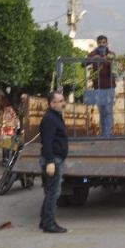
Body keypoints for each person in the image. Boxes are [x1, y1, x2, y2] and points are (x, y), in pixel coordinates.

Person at [39, 92, 69, 233]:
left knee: (50, 192)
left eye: (63, 100)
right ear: (52, 104)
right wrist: (50, 161)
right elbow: (47, 141)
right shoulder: (50, 119)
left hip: (55, 159)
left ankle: (44, 220)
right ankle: (49, 224)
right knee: (53, 193)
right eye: (60, 101)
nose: (63, 103)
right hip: (53, 160)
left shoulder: (56, 117)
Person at [86, 35, 116, 138]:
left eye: (103, 42)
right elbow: (83, 63)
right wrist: (92, 59)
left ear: (107, 43)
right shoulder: (93, 54)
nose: (101, 45)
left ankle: (108, 133)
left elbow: (116, 68)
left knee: (108, 110)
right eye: (100, 43)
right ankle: (103, 133)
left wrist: (107, 60)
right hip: (98, 87)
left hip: (110, 86)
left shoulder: (111, 54)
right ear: (97, 43)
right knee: (102, 110)